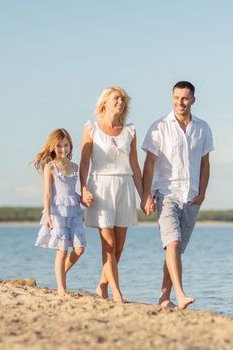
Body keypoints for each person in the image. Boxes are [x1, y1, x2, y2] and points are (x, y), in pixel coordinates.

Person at [141, 81, 214, 309]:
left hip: (191, 197)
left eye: (184, 98)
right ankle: (180, 295)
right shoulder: (159, 127)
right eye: (176, 98)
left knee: (175, 249)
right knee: (172, 243)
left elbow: (205, 163)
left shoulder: (203, 128)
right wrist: (146, 195)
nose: (180, 102)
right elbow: (149, 164)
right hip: (166, 193)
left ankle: (164, 297)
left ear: (193, 100)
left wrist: (202, 193)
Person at [80, 86, 143, 302]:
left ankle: (102, 284)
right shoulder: (91, 129)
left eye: (124, 99)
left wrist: (144, 196)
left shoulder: (130, 131)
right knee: (108, 243)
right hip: (101, 187)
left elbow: (135, 166)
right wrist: (83, 188)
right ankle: (117, 293)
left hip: (124, 187)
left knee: (119, 246)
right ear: (105, 102)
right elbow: (85, 162)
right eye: (117, 98)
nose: (121, 102)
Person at [33, 128, 86, 296]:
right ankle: (62, 289)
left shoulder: (75, 167)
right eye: (59, 146)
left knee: (79, 249)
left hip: (74, 211)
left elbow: (71, 191)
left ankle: (60, 273)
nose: (63, 149)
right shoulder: (50, 167)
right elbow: (48, 194)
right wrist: (47, 216)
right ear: (53, 148)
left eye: (66, 145)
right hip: (57, 212)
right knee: (62, 250)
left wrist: (82, 197)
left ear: (70, 145)